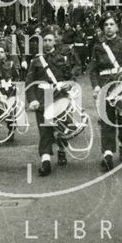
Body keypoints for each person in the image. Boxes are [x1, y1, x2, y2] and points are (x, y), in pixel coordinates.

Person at [89, 13, 122, 171]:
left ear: (116, 27)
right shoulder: (98, 47)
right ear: (103, 28)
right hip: (105, 85)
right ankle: (108, 154)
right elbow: (93, 70)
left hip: (121, 85)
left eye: (111, 24)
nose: (109, 27)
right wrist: (96, 86)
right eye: (106, 25)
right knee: (106, 120)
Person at [26, 26, 77, 176]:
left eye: (50, 40)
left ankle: (61, 150)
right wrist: (32, 100)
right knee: (45, 131)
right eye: (45, 40)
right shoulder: (36, 61)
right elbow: (29, 82)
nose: (47, 43)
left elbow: (71, 77)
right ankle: (46, 161)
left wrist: (69, 83)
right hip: (42, 99)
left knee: (61, 127)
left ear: (55, 41)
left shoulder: (62, 58)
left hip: (59, 98)